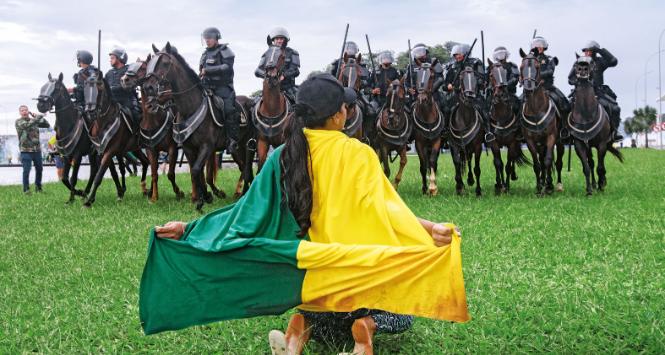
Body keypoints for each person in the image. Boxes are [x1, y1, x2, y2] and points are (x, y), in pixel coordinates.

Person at [139, 74, 469, 355]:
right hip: (360, 276)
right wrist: (431, 230)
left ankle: (296, 333)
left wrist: (191, 229)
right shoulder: (358, 154)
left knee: (313, 307)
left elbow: (243, 213)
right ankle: (365, 328)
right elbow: (390, 213)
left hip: (312, 281)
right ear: (339, 116)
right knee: (403, 313)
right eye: (345, 106)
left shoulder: (282, 155)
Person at [567, 40, 622, 141]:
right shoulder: (578, 62)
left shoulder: (600, 61)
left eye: (590, 51)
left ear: (594, 52)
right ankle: (566, 131)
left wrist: (601, 51)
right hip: (581, 93)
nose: (587, 53)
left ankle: (614, 132)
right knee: (566, 106)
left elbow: (614, 61)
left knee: (615, 108)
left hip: (598, 92)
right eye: (585, 51)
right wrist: (578, 82)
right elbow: (570, 78)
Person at [199, 26, 239, 154]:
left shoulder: (225, 50)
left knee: (228, 110)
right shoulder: (204, 54)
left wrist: (208, 71)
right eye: (206, 38)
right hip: (206, 87)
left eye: (210, 38)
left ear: (216, 38)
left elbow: (227, 67)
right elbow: (201, 70)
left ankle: (232, 140)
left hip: (223, 88)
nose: (207, 41)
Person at [443, 44, 495, 142]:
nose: (457, 57)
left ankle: (488, 132)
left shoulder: (475, 63)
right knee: (446, 109)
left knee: (484, 109)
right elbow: (445, 85)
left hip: (474, 94)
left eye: (459, 54)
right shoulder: (451, 66)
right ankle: (445, 132)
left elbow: (482, 78)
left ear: (465, 53)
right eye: (455, 55)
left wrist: (477, 81)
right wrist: (448, 86)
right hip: (457, 95)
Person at [529, 37, 571, 133]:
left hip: (548, 87)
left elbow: (550, 71)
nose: (539, 47)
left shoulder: (549, 59)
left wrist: (538, 74)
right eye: (537, 45)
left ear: (544, 47)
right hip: (533, 89)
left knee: (564, 103)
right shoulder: (530, 60)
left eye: (541, 45)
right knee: (519, 103)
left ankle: (564, 128)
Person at [255, 27, 301, 103]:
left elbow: (295, 70)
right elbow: (257, 71)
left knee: (300, 105)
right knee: (253, 104)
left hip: (288, 88)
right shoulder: (268, 53)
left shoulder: (292, 52)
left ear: (285, 40)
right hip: (270, 87)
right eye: (277, 39)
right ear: (273, 40)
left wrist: (284, 75)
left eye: (281, 39)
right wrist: (268, 75)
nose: (279, 41)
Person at [15, 105, 50, 194]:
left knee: (39, 169)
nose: (24, 112)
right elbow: (27, 126)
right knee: (26, 170)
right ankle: (26, 189)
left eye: (26, 110)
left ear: (28, 111)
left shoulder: (34, 120)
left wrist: (37, 117)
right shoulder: (19, 121)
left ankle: (38, 188)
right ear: (20, 112)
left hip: (37, 150)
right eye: (22, 110)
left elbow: (46, 125)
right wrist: (38, 117)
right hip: (25, 150)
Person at [106, 47, 142, 131]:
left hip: (126, 100)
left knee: (136, 115)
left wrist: (113, 89)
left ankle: (138, 136)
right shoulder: (109, 73)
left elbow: (130, 85)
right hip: (112, 101)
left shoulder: (129, 70)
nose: (110, 60)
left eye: (112, 58)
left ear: (120, 58)